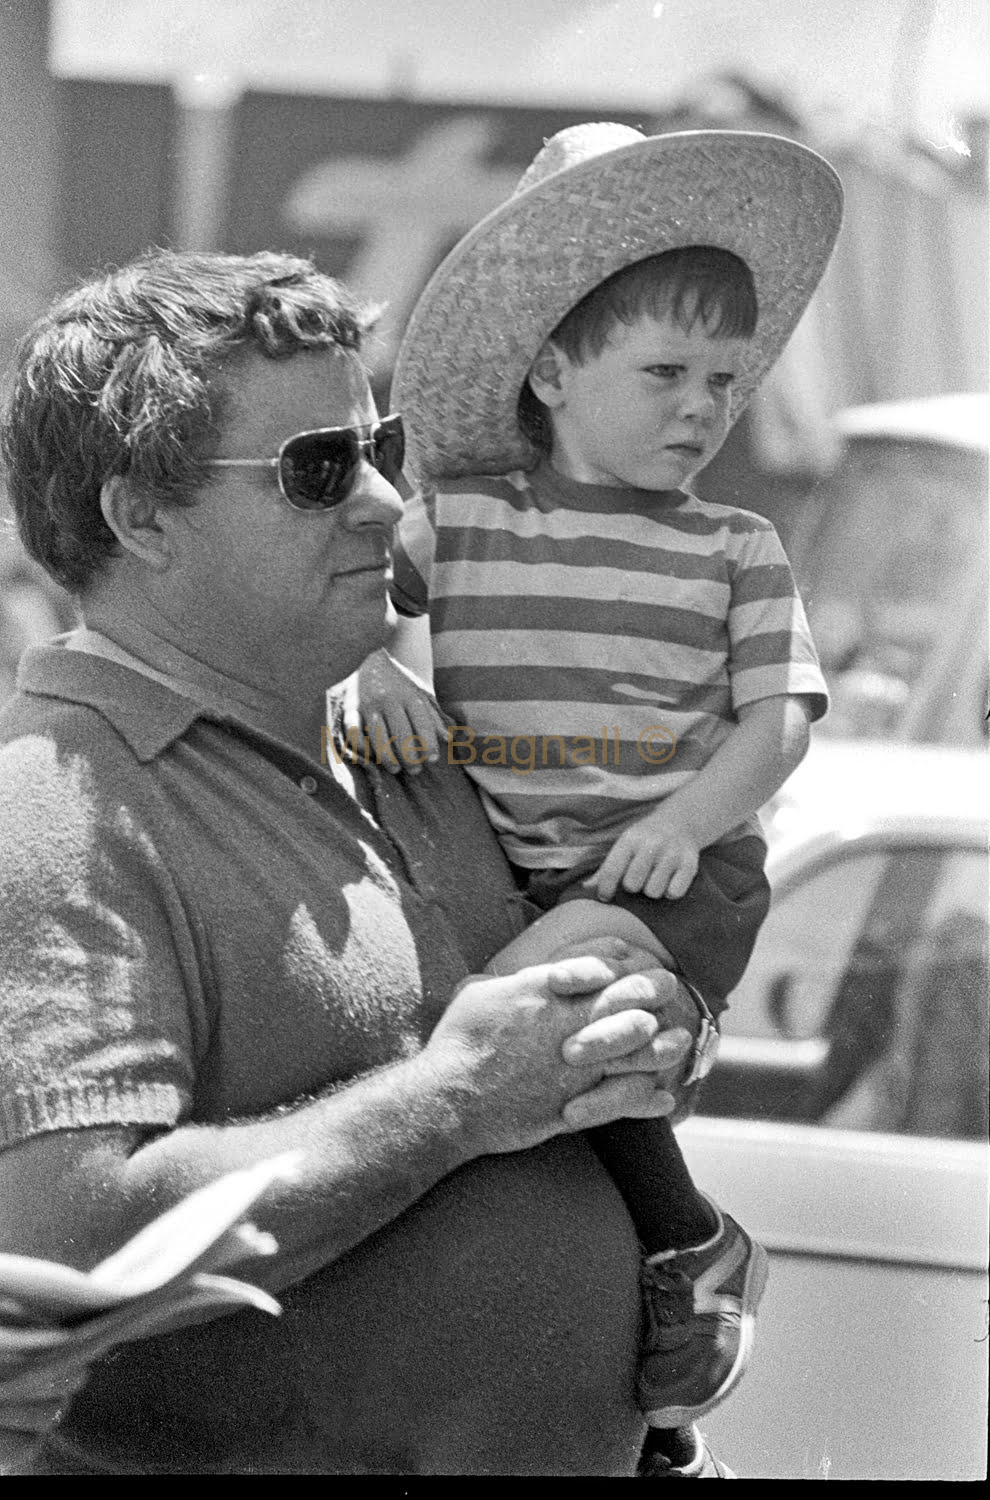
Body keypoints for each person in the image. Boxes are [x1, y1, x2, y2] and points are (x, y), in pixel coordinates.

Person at [0, 248, 732, 1477]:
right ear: (141, 517)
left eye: (378, 448)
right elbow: (62, 1255)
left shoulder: (400, 738)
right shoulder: (58, 807)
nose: (387, 504)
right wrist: (454, 1098)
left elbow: (554, 1043)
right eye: (318, 470)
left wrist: (657, 1034)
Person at [353, 123, 843, 1438]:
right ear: (555, 372)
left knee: (508, 1013)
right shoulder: (458, 522)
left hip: (672, 877)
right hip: (513, 867)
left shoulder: (734, 546)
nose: (702, 407)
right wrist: (370, 671)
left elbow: (778, 721)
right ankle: (650, 1381)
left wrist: (685, 823)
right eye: (666, 370)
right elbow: (334, 571)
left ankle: (696, 1239)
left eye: (726, 381)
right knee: (530, 1060)